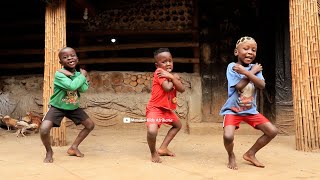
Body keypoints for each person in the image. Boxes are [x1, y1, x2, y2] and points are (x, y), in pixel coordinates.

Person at [220, 36, 278, 170]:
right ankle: (231, 155)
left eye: (253, 50)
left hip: (250, 110)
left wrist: (247, 72)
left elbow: (261, 85)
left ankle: (250, 153)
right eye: (246, 48)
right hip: (233, 110)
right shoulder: (232, 67)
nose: (250, 52)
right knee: (228, 136)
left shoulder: (256, 68)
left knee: (272, 131)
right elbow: (239, 86)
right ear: (236, 52)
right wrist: (251, 72)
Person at [40, 47, 95, 163]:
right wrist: (83, 75)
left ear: (77, 58)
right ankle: (49, 151)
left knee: (90, 125)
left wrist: (78, 76)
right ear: (61, 62)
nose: (70, 58)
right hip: (58, 106)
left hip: (73, 107)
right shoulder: (59, 75)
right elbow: (72, 86)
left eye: (72, 55)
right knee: (44, 129)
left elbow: (84, 89)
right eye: (65, 57)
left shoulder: (77, 74)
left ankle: (74, 147)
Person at [146, 48, 185, 163]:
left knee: (178, 125)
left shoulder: (169, 75)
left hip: (166, 110)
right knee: (152, 131)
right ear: (157, 65)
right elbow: (167, 88)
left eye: (170, 61)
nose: (168, 63)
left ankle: (163, 148)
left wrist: (172, 77)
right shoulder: (159, 73)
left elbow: (182, 89)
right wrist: (173, 78)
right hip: (155, 108)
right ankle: (153, 153)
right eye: (164, 62)